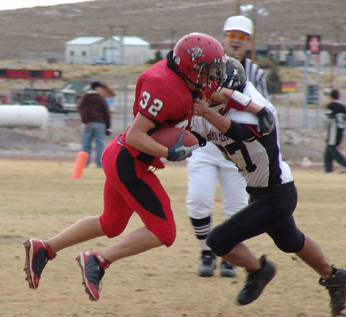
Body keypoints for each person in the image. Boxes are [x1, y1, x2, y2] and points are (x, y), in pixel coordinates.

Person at [23, 32, 230, 302]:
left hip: (120, 155)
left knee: (111, 223)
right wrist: (169, 151)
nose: (211, 76)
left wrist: (250, 105)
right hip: (129, 163)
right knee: (164, 232)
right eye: (207, 69)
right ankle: (98, 260)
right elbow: (135, 135)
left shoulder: (187, 79)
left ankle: (44, 248)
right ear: (190, 67)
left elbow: (220, 94)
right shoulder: (165, 87)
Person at [191, 57, 346, 317]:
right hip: (260, 190)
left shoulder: (255, 110)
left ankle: (259, 270)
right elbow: (188, 136)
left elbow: (241, 133)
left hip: (277, 194)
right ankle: (335, 277)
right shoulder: (212, 107)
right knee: (291, 241)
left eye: (213, 87)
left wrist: (207, 112)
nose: (206, 92)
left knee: (218, 240)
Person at [186, 14, 269, 278]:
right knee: (198, 200)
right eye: (232, 35)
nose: (236, 41)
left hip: (238, 147)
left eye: (242, 37)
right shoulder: (206, 65)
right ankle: (206, 253)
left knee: (236, 209)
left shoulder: (256, 73)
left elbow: (262, 109)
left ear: (250, 42)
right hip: (206, 143)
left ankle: (230, 257)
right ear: (222, 37)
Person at [78, 81, 112, 168]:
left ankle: (84, 164)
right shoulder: (100, 98)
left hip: (88, 124)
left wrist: (85, 121)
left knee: (86, 144)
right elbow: (106, 113)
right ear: (96, 88)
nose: (101, 89)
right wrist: (108, 127)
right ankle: (99, 164)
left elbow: (81, 108)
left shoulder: (85, 98)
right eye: (100, 88)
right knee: (100, 144)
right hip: (100, 123)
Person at [324, 89, 346, 173]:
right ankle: (328, 169)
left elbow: (328, 118)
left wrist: (324, 128)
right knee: (328, 149)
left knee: (331, 148)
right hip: (341, 129)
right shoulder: (343, 107)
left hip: (334, 130)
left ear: (331, 96)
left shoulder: (331, 105)